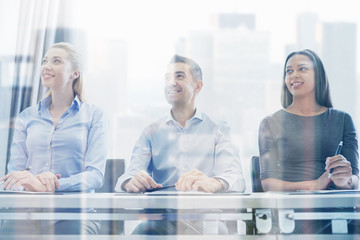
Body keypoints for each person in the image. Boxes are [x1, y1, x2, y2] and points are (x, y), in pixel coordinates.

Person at [115, 54, 245, 234]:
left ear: (197, 86)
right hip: (162, 223)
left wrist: (214, 182)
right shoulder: (151, 131)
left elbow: (236, 178)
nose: (171, 82)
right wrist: (130, 182)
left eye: (179, 76)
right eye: (167, 78)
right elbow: (126, 177)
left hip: (206, 221)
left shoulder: (218, 129)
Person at [0, 42, 107, 235]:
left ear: (75, 73)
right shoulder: (27, 116)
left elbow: (95, 175)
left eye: (56, 61)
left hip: (76, 214)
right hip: (29, 214)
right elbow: (14, 173)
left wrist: (53, 183)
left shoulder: (93, 116)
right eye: (45, 61)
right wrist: (28, 182)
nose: (47, 66)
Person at [258, 49, 359, 233]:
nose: (294, 75)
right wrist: (312, 186)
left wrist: (345, 180)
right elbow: (268, 183)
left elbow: (354, 180)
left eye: (302, 69)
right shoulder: (270, 123)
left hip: (335, 213)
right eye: (289, 71)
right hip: (290, 214)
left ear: (318, 76)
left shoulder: (343, 120)